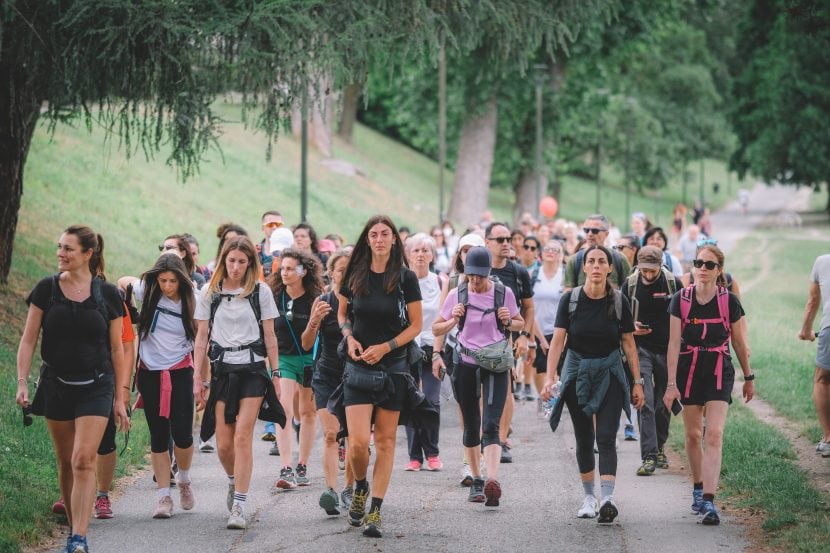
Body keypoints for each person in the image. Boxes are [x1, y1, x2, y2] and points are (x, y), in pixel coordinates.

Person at [16, 225, 130, 553]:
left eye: (68, 248)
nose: (60, 254)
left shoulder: (108, 294)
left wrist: (120, 398)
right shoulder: (46, 290)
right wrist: (23, 382)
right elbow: (27, 339)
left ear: (87, 254)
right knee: (65, 462)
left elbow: (117, 349)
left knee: (83, 460)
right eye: (59, 247)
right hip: (56, 385)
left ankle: (79, 537)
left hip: (97, 385)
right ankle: (72, 525)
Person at [542, 245, 645, 524]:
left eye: (602, 261)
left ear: (610, 268)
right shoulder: (571, 300)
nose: (597, 266)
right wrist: (550, 376)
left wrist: (637, 382)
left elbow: (629, 344)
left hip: (611, 372)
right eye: (591, 261)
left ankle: (608, 498)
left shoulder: (619, 301)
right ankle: (589, 497)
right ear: (584, 267)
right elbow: (559, 340)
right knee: (584, 437)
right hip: (577, 372)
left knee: (607, 437)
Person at [336, 215, 424, 538]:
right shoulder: (354, 273)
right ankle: (360, 485)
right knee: (358, 444)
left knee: (385, 442)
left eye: (385, 234)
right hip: (359, 365)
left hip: (394, 365)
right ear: (367, 239)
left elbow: (416, 326)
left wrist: (386, 347)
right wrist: (349, 337)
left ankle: (375, 510)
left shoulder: (405, 277)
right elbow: (343, 313)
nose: (379, 239)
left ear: (393, 240)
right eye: (373, 234)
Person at [193, 235, 284, 530]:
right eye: (231, 261)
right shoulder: (210, 292)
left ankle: (240, 505)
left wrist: (277, 373)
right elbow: (201, 338)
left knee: (243, 436)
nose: (235, 267)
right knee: (223, 444)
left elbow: (270, 336)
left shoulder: (260, 292)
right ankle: (233, 482)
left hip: (253, 371)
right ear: (223, 260)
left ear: (250, 264)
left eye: (242, 262)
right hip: (222, 371)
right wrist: (198, 377)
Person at [663, 245, 754, 526]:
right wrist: (670, 385)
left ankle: (709, 502)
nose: (702, 268)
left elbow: (738, 342)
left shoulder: (730, 302)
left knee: (713, 434)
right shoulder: (680, 299)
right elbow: (674, 343)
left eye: (709, 265)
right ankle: (698, 486)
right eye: (698, 262)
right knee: (692, 435)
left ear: (719, 271)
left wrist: (748, 378)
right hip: (689, 369)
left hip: (718, 369)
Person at [433, 246, 523, 507]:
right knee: (472, 424)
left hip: (495, 364)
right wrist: (452, 321)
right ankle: (477, 480)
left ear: (488, 273)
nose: (475, 281)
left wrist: (508, 320)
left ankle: (493, 480)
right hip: (466, 363)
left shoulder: (502, 293)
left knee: (491, 425)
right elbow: (436, 326)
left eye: (479, 277)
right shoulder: (457, 293)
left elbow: (519, 323)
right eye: (471, 276)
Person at [131, 254, 198, 518]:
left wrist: (202, 379)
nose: (167, 286)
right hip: (150, 373)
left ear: (181, 280)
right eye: (162, 280)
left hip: (181, 371)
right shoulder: (148, 291)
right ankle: (163, 497)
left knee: (183, 436)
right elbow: (123, 281)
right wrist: (127, 294)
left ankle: (184, 480)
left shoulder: (194, 298)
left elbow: (203, 337)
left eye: (172, 281)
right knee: (158, 436)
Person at [303, 249, 355, 515]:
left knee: (354, 438)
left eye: (350, 270)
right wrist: (313, 322)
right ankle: (331, 492)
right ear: (332, 272)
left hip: (356, 376)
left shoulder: (362, 302)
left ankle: (349, 489)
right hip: (326, 373)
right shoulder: (322, 301)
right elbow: (307, 343)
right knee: (332, 434)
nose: (344, 274)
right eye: (341, 269)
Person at [623, 246, 682, 476]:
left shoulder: (673, 283)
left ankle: (659, 447)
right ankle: (648, 456)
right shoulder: (630, 285)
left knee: (663, 403)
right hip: (641, 350)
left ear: (660, 265)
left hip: (668, 349)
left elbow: (685, 314)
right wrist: (631, 328)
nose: (648, 275)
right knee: (644, 400)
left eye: (652, 270)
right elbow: (620, 317)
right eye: (644, 270)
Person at [267, 248, 323, 489]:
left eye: (290, 269)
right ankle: (286, 466)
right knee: (285, 410)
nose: (285, 273)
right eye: (282, 269)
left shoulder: (316, 298)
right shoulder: (272, 295)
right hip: (284, 359)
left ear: (303, 271)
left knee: (309, 413)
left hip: (310, 359)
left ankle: (302, 464)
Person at [484, 222, 535, 463]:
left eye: (508, 239)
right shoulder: (478, 269)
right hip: (479, 340)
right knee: (484, 393)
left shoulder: (518, 272)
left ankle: (502, 440)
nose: (507, 243)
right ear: (487, 243)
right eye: (500, 239)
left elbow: (528, 306)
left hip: (507, 339)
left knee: (505, 391)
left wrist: (525, 335)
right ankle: (488, 435)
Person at [404, 233, 448, 472]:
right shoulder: (402, 281)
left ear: (432, 255)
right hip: (408, 348)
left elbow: (443, 318)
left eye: (425, 250)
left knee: (431, 399)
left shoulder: (441, 282)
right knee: (411, 399)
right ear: (408, 254)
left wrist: (438, 353)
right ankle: (414, 455)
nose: (420, 255)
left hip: (433, 347)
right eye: (416, 250)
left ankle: (432, 452)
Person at [798, 253, 830, 457]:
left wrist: (805, 331)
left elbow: (812, 302)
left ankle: (828, 437)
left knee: (823, 379)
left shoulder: (823, 261)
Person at [531, 240, 565, 402]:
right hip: (537, 330)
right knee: (540, 370)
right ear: (541, 253)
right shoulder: (533, 275)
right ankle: (544, 399)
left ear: (561, 255)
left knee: (557, 369)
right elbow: (527, 307)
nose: (551, 252)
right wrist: (540, 339)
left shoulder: (565, 276)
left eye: (555, 250)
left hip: (559, 330)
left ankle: (554, 402)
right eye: (547, 249)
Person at [563, 215, 631, 291]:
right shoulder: (574, 260)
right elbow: (568, 295)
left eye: (595, 231)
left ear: (606, 234)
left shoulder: (619, 259)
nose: (590, 234)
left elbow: (628, 291)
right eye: (586, 230)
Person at [257, 210, 285, 279]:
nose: (274, 227)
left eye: (278, 224)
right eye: (270, 224)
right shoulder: (253, 251)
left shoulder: (289, 252)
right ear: (262, 228)